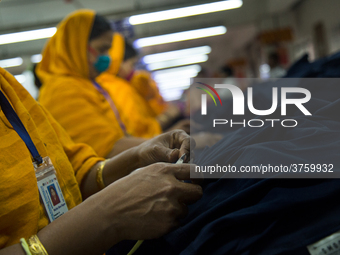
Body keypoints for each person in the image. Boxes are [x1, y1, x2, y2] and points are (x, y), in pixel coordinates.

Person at [0, 66, 202, 254]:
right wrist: (107, 216)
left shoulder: (8, 89)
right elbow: (109, 144)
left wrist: (137, 157)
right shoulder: (62, 90)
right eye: (103, 48)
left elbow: (72, 171)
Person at [97, 34, 189, 135]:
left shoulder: (105, 84)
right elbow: (137, 131)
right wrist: (168, 116)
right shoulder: (119, 87)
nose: (132, 70)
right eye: (131, 64)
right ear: (119, 60)